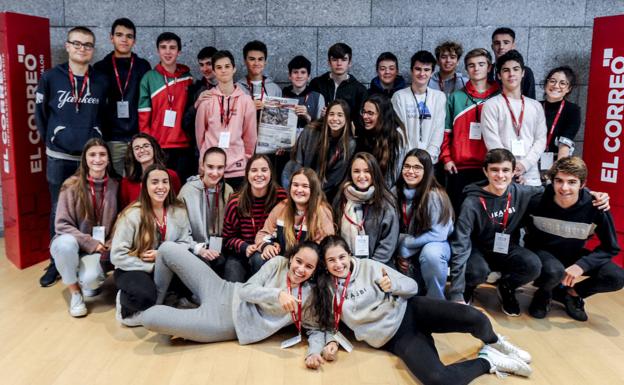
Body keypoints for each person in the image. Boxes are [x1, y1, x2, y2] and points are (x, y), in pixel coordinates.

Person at [312, 235, 533, 383]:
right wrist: (331, 343)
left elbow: (413, 287)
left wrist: (394, 285)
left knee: (476, 318)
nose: (338, 264)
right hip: (395, 338)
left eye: (342, 257)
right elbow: (329, 324)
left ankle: (495, 342)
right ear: (324, 263)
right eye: (331, 260)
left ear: (350, 254)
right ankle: (489, 360)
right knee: (438, 380)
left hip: (412, 309)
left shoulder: (370, 266)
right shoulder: (325, 290)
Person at [140, 241, 327, 368]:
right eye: (298, 261)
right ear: (292, 257)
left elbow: (316, 328)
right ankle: (160, 300)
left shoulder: (308, 295)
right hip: (223, 289)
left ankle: (179, 309)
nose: (301, 269)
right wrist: (277, 294)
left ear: (314, 271)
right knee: (166, 248)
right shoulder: (278, 263)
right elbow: (246, 290)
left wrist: (314, 352)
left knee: (148, 318)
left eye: (309, 267)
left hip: (225, 322)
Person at [35, 26, 109, 287]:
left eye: (87, 45)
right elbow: (41, 114)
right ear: (67, 46)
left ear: (93, 49)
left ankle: (85, 253)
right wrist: (52, 140)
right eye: (77, 44)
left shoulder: (100, 80)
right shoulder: (50, 77)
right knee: (58, 208)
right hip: (59, 156)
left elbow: (105, 115)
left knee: (93, 206)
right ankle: (56, 262)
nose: (82, 48)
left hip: (90, 158)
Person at [526, 157, 624, 321]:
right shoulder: (536, 200)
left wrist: (582, 265)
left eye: (572, 182)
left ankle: (571, 294)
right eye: (559, 181)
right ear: (552, 181)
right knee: (553, 271)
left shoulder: (596, 206)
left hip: (573, 254)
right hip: (542, 254)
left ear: (583, 184)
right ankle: (544, 293)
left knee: (616, 277)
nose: (564, 188)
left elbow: (610, 247)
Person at [111, 164, 194, 326]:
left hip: (165, 266)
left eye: (165, 182)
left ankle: (167, 300)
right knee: (145, 298)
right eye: (155, 182)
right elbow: (117, 255)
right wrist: (152, 266)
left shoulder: (178, 210)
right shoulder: (132, 214)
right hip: (134, 267)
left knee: (192, 285)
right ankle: (124, 304)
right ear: (144, 186)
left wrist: (162, 256)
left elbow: (186, 242)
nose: (161, 187)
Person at [50, 138, 119, 317]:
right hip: (73, 243)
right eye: (92, 155)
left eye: (102, 154)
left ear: (109, 158)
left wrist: (109, 243)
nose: (98, 159)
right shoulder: (71, 185)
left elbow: (120, 220)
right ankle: (75, 293)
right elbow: (61, 225)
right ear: (85, 159)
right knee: (65, 245)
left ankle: (87, 281)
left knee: (92, 280)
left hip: (98, 248)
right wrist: (90, 242)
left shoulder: (114, 186)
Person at [441, 48, 500, 213]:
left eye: (481, 64)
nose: (476, 68)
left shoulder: (499, 97)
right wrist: (446, 158)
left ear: (489, 67)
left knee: (486, 215)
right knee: (459, 214)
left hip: (490, 166)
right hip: (460, 167)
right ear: (466, 70)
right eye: (471, 65)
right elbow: (446, 132)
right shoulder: (455, 97)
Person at [94, 18, 151, 176]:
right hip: (112, 138)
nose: (124, 39)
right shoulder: (100, 67)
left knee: (138, 183)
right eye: (119, 35)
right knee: (115, 184)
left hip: (138, 137)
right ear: (111, 37)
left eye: (129, 36)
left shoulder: (143, 66)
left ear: (134, 40)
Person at [394, 149, 453, 299]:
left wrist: (406, 245)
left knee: (431, 254)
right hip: (409, 246)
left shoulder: (434, 195)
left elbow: (439, 234)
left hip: (434, 244)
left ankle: (437, 302)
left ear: (426, 171)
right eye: (407, 166)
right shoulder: (395, 192)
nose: (410, 171)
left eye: (417, 167)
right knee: (414, 293)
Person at [481, 50, 546, 187]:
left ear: (522, 73)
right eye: (506, 70)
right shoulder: (491, 105)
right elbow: (492, 141)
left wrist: (524, 165)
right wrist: (510, 169)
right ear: (499, 75)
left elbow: (540, 140)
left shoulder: (535, 106)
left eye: (516, 69)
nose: (511, 74)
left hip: (532, 176)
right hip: (503, 176)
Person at [195, 50, 257, 190]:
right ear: (214, 71)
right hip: (211, 169)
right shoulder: (206, 100)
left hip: (237, 168)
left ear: (234, 69)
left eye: (227, 66)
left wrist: (245, 159)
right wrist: (205, 158)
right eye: (219, 67)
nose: (223, 71)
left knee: (235, 208)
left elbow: (250, 137)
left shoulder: (246, 101)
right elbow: (200, 136)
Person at [254, 168, 334, 274]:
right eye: (295, 185)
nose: (299, 190)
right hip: (282, 259)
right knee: (257, 258)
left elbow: (327, 247)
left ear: (313, 189)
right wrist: (267, 246)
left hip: (306, 266)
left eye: (305, 186)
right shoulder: (281, 207)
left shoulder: (322, 212)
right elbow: (263, 234)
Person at [138, 32, 195, 183]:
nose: (168, 52)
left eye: (172, 48)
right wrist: (149, 144)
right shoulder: (149, 77)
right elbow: (144, 115)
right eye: (163, 47)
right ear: (158, 51)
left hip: (183, 145)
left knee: (180, 189)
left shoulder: (188, 78)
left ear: (179, 51)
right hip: (159, 146)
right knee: (160, 189)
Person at [222, 155, 288, 282]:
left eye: (264, 170)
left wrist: (276, 244)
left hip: (267, 251)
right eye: (254, 170)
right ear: (247, 174)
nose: (259, 174)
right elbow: (227, 238)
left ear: (271, 173)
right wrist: (244, 247)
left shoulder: (281, 197)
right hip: (241, 253)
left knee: (260, 260)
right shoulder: (236, 202)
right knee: (232, 286)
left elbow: (286, 230)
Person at [283, 99, 356, 202]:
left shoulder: (349, 144)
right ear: (326, 117)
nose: (335, 118)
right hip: (297, 181)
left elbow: (335, 179)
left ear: (346, 119)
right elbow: (297, 161)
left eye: (340, 115)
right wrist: (301, 188)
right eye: (331, 114)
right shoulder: (311, 130)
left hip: (323, 190)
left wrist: (313, 193)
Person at [333, 152, 399, 264]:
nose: (361, 176)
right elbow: (334, 234)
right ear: (350, 173)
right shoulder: (341, 198)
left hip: (377, 266)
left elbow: (388, 244)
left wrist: (368, 268)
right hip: (344, 265)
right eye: (356, 171)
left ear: (375, 173)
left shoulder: (386, 203)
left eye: (367, 171)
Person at [178, 147, 234, 276]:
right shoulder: (187, 191)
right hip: (194, 248)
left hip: (220, 248)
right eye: (210, 167)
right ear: (202, 166)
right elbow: (180, 232)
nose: (215, 173)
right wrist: (198, 249)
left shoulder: (228, 190)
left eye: (220, 168)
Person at [392, 50, 446, 164]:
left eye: (426, 70)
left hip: (430, 161)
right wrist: (410, 160)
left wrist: (427, 159)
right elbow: (398, 131)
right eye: (418, 69)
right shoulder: (399, 97)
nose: (422, 74)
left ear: (432, 72)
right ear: (411, 70)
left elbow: (438, 131)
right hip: (404, 160)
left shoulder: (439, 97)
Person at [309, 42, 368, 125]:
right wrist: (321, 117)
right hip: (320, 133)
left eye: (344, 60)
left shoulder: (359, 90)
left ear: (350, 63)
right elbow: (310, 113)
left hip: (346, 135)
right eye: (334, 60)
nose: (339, 64)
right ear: (329, 62)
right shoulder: (316, 84)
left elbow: (360, 121)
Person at [356, 94, 406, 187]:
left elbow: (393, 178)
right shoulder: (365, 131)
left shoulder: (396, 137)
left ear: (382, 115)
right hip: (365, 185)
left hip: (386, 191)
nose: (365, 116)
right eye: (364, 112)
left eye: (370, 113)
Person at [120, 133, 181, 209]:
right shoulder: (126, 182)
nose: (142, 150)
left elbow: (177, 204)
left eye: (146, 146)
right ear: (133, 154)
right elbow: (125, 211)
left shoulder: (171, 175)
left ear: (154, 148)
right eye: (137, 148)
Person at [182, 46, 218, 165]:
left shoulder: (232, 87)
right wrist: (196, 104)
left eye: (208, 64)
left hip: (225, 147)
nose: (205, 68)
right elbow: (185, 123)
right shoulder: (195, 89)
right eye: (201, 65)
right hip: (200, 150)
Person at [540, 66, 581, 164]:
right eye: (552, 81)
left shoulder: (572, 110)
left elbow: (565, 145)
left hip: (557, 161)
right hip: (530, 161)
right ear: (546, 83)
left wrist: (557, 169)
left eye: (562, 83)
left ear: (568, 89)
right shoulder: (535, 106)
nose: (556, 86)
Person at [282, 55, 325, 134]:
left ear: (308, 76)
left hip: (309, 143)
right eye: (295, 72)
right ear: (289, 76)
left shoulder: (318, 97)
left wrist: (307, 117)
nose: (299, 76)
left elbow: (321, 129)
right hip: (285, 143)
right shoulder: (281, 95)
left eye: (303, 72)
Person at [488, 27, 536, 98]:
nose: (501, 47)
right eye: (497, 43)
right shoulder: (487, 71)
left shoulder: (526, 72)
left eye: (506, 43)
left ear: (513, 45)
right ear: (492, 46)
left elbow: (531, 100)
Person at [236, 40, 282, 112]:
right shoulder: (236, 88)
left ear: (265, 62)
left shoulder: (275, 89)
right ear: (245, 61)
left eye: (260, 59)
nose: (256, 63)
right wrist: (248, 107)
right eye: (252, 59)